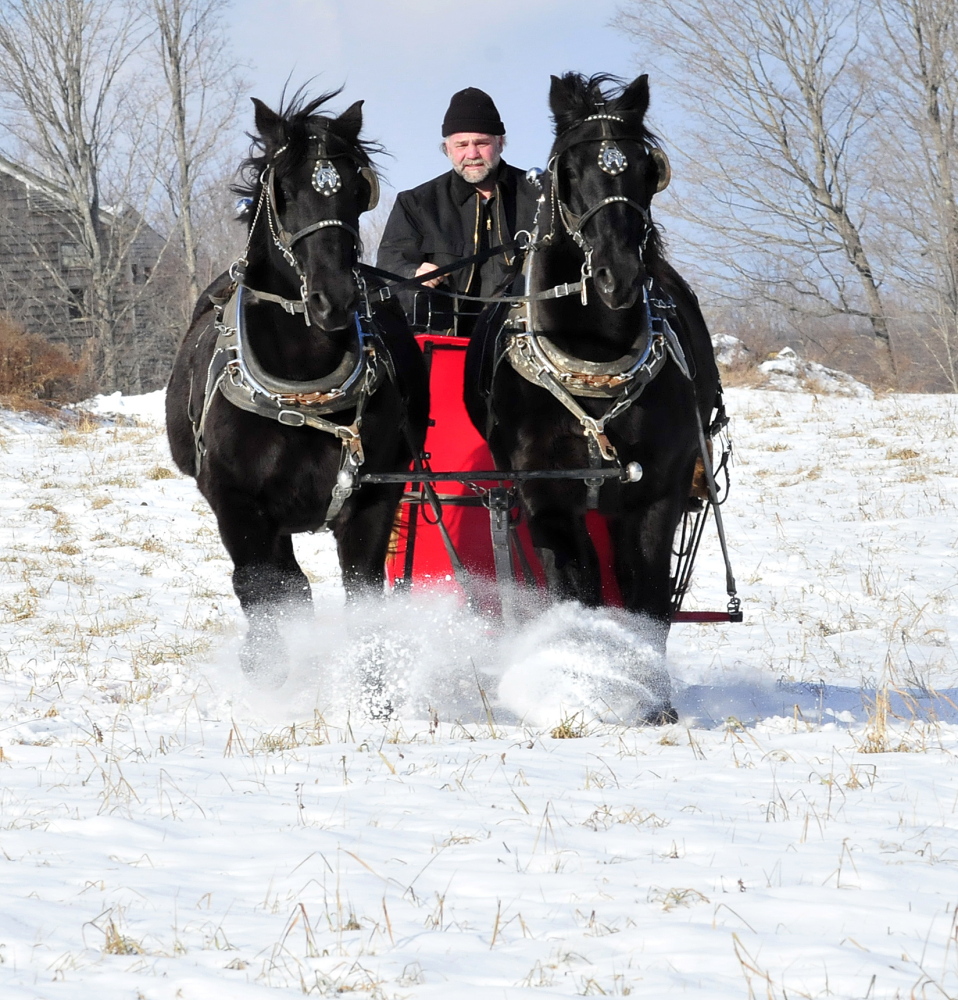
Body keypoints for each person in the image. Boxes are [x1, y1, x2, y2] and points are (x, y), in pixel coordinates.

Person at [376, 87, 540, 337]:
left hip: (527, 339)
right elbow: (390, 264)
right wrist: (413, 274)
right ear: (447, 149)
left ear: (500, 143)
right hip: (445, 341)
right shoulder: (416, 203)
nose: (472, 154)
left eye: (481, 143)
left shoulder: (541, 195)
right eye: (462, 145)